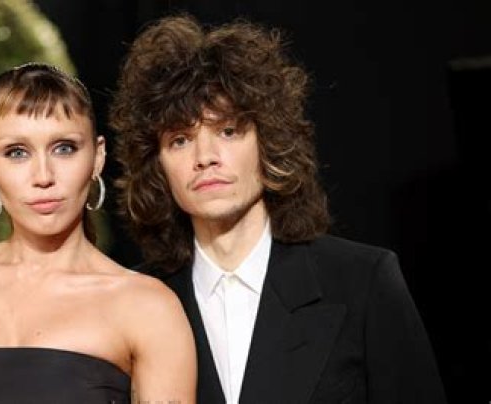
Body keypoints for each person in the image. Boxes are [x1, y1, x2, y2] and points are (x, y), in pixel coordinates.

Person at [110, 14, 446, 404]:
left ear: (268, 141)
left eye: (228, 131)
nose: (205, 156)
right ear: (157, 164)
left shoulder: (362, 282)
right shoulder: (135, 302)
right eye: (180, 140)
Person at [0, 62, 196, 404]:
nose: (43, 176)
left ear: (98, 156)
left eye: (64, 148)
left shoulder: (146, 306)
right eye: (17, 152)